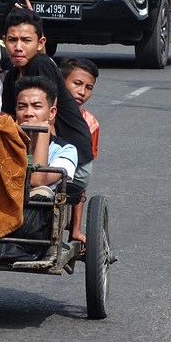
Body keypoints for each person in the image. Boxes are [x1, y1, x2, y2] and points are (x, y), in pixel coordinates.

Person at [0, 75, 77, 262]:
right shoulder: (4, 138)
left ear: (51, 112)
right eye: (22, 107)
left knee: (42, 193)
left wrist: (43, 132)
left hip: (35, 218)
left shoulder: (67, 150)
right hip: (1, 208)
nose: (29, 113)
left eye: (36, 106)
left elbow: (37, 179)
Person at [0, 7, 93, 180]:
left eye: (26, 40)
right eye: (12, 40)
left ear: (40, 43)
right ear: (4, 41)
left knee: (36, 191)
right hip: (33, 150)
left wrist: (40, 168)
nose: (18, 47)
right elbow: (6, 119)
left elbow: (49, 122)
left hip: (69, 157)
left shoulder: (40, 65)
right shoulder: (11, 75)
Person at [60, 57, 100, 245]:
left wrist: (75, 229)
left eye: (88, 87)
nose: (82, 92)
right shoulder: (44, 111)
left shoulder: (91, 124)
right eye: (77, 83)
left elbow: (82, 183)